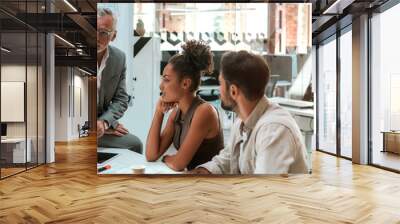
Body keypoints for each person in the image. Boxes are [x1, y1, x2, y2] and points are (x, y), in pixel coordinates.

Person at [190, 50, 308, 174]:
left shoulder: (274, 130)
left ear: (233, 91)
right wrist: (199, 172)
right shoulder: (242, 121)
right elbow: (226, 160)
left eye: (220, 83)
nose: (219, 90)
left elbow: (264, 189)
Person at [146, 40, 224, 171]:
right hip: (192, 179)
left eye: (166, 79)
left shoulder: (204, 111)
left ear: (185, 84)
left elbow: (177, 164)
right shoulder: (176, 113)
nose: (161, 86)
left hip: (210, 183)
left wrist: (166, 158)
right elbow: (151, 155)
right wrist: (159, 112)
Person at [97, 8, 142, 153]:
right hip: (77, 126)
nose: (96, 37)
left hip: (102, 124)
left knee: (135, 144)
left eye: (103, 32)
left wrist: (105, 122)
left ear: (113, 36)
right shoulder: (76, 53)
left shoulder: (119, 58)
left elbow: (121, 99)